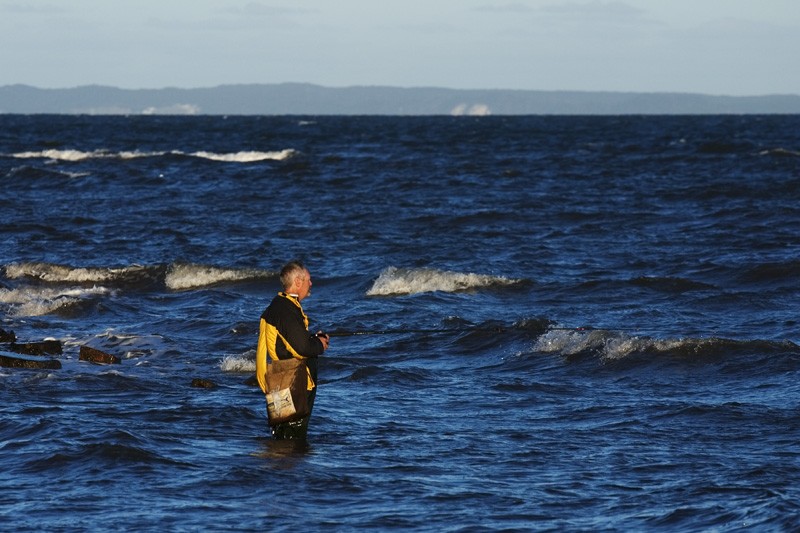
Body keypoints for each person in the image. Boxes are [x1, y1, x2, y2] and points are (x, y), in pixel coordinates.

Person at [256, 261, 330, 440]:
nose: (311, 284)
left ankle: (278, 463)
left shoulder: (279, 305)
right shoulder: (286, 310)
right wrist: (320, 345)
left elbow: (286, 342)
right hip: (292, 382)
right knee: (292, 435)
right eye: (308, 280)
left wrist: (313, 338)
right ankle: (285, 465)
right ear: (298, 282)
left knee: (281, 432)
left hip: (279, 379)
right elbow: (302, 348)